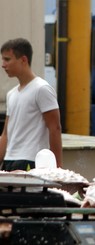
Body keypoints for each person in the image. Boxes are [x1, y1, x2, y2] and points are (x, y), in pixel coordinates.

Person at [0, 38, 62, 171]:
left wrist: (57, 169)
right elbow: (6, 133)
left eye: (7, 59)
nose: (3, 65)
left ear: (23, 59)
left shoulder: (41, 89)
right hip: (9, 161)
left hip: (31, 161)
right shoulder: (11, 94)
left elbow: (55, 129)